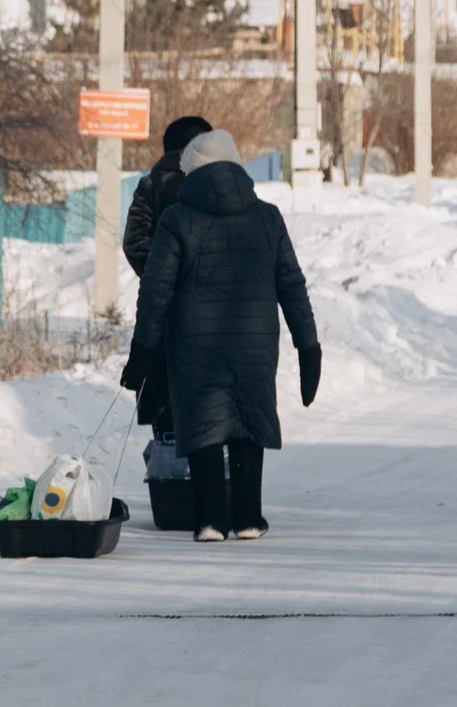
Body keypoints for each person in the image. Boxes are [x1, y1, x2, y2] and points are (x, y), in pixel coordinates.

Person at [121, 130, 321, 542]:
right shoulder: (267, 217)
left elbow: (155, 291)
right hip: (255, 341)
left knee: (204, 422)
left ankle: (211, 519)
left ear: (191, 171)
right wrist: (308, 346)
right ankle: (248, 518)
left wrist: (141, 352)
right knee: (249, 418)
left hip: (195, 343)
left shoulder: (177, 218)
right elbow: (292, 284)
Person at [121, 116, 212, 468]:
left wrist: (162, 274)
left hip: (162, 309)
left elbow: (134, 242)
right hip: (212, 308)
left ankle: (171, 473)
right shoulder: (217, 185)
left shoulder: (152, 184)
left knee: (166, 389)